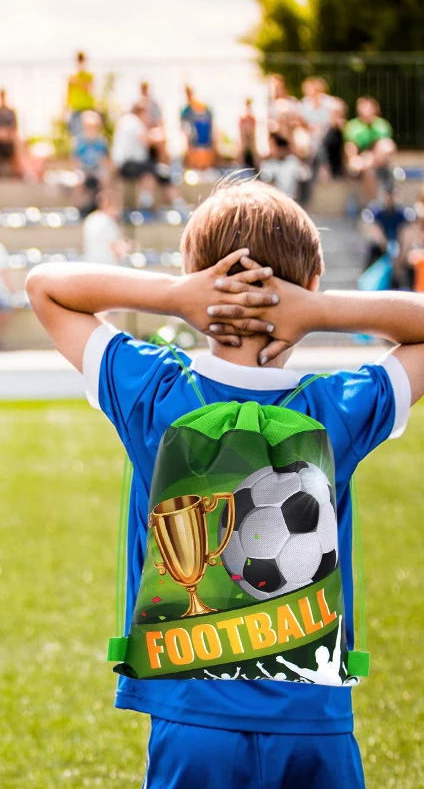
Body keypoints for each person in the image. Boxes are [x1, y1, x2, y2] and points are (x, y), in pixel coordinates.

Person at [27, 179, 424, 788]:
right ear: (311, 282)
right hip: (314, 722)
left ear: (195, 278)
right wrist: (318, 313)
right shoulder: (333, 409)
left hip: (193, 721)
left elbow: (46, 287)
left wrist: (173, 295)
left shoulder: (156, 395)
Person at [112, 102, 175, 208]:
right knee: (160, 171)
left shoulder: (126, 121)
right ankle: (175, 203)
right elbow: (146, 140)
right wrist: (161, 134)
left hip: (127, 164)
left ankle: (151, 205)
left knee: (152, 175)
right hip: (128, 163)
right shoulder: (133, 122)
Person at [344, 96, 397, 203]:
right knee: (369, 171)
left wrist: (370, 159)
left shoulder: (382, 125)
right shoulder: (352, 126)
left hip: (378, 161)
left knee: (387, 145)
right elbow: (351, 147)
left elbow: (384, 147)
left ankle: (381, 202)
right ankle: (374, 203)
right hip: (361, 162)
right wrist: (355, 159)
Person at [361, 187, 414, 270]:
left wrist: (403, 249)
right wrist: (383, 242)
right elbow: (374, 228)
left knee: (411, 258)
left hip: (399, 245)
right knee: (372, 249)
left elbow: (407, 231)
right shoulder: (380, 212)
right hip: (384, 244)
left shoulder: (401, 213)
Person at [71, 110, 110, 215]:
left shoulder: (101, 141)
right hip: (83, 168)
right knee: (78, 181)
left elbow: (105, 159)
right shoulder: (79, 141)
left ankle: (104, 206)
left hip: (97, 168)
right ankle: (79, 208)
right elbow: (75, 159)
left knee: (105, 179)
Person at [82, 191, 129, 265]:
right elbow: (117, 250)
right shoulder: (108, 223)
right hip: (107, 268)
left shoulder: (90, 219)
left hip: (91, 266)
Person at [260, 132, 305, 199]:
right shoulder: (267, 164)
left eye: (272, 146)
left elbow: (302, 179)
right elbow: (267, 184)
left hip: (294, 202)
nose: (271, 149)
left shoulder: (293, 162)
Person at [180, 85, 216, 170]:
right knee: (190, 139)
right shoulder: (186, 109)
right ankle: (194, 167)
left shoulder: (202, 106)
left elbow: (209, 120)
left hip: (203, 133)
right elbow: (183, 125)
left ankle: (206, 166)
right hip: (194, 134)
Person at [65, 51, 96, 137]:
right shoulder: (71, 77)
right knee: (75, 134)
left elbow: (90, 88)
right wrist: (65, 111)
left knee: (88, 134)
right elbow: (67, 95)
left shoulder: (89, 76)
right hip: (75, 109)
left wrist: (77, 82)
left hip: (87, 108)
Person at [239, 98, 259, 170]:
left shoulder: (251, 115)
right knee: (243, 149)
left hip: (250, 134)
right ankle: (240, 168)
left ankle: (257, 168)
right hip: (245, 133)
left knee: (253, 149)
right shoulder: (243, 115)